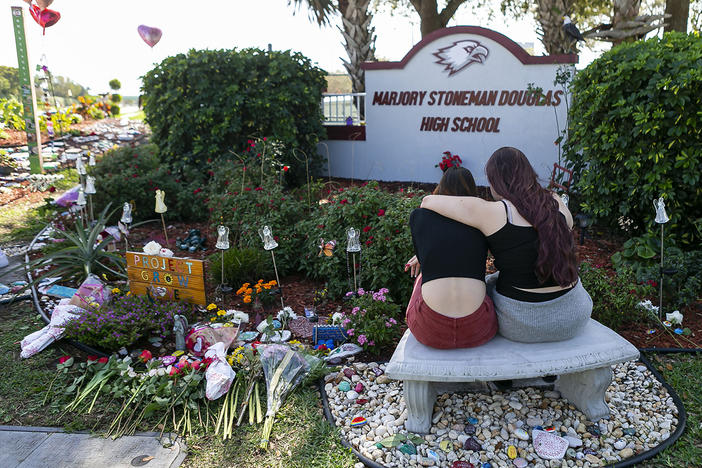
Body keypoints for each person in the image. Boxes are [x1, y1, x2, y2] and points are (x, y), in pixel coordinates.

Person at [420, 147, 592, 343]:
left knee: (484, 286)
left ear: (496, 181)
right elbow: (564, 228)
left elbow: (428, 201)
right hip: (575, 316)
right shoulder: (555, 201)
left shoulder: (493, 212)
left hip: (522, 324)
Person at [404, 166, 498, 349]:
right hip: (478, 329)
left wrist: (422, 256)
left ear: (441, 187)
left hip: (429, 330)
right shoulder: (483, 222)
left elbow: (436, 251)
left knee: (423, 277)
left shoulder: (420, 217)